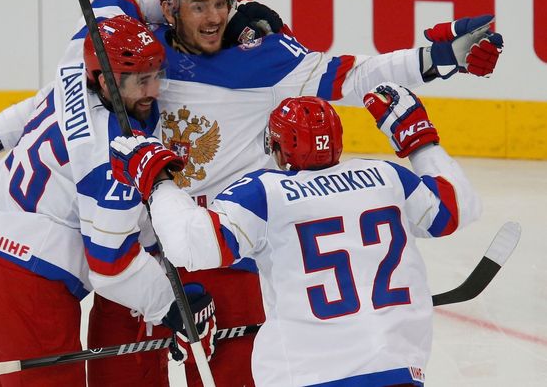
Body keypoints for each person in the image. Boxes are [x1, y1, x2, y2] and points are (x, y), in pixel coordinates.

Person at [0, 0, 503, 387]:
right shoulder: (139, 52)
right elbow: (62, 92)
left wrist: (437, 59)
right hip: (146, 255)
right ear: (170, 7)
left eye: (221, 3)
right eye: (197, 5)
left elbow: (356, 75)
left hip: (224, 247)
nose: (213, 18)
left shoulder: (267, 61)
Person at [109, 83, 482, 387]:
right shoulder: (387, 178)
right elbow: (456, 210)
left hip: (309, 375)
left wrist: (157, 181)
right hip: (399, 370)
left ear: (278, 150)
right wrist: (421, 142)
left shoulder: (265, 192)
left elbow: (191, 246)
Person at [0, 15, 216, 386]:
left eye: (155, 75)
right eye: (138, 81)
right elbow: (111, 265)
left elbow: (33, 108)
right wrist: (172, 306)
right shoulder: (111, 153)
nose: (152, 90)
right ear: (103, 81)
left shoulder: (72, 78)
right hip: (27, 286)